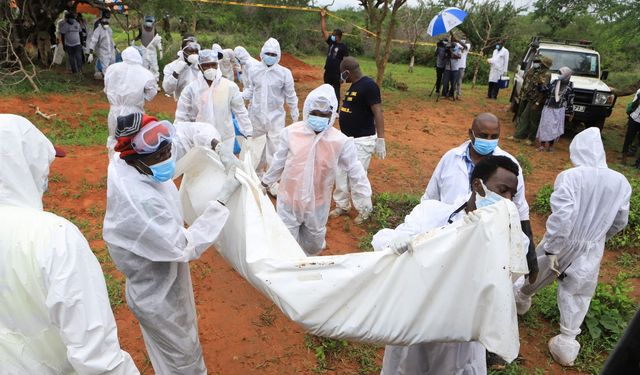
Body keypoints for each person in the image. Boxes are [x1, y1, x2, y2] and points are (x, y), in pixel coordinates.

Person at [103, 113, 242, 375]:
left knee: (166, 355)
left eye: (168, 150)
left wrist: (217, 146)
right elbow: (183, 246)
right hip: (159, 293)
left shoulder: (138, 159)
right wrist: (221, 202)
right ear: (136, 159)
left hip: (161, 277)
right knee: (183, 359)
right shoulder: (139, 201)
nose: (167, 158)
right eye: (160, 156)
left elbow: (187, 132)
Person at [0, 114, 139, 375]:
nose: (47, 174)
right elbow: (98, 358)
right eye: (43, 164)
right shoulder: (52, 236)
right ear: (22, 164)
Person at [373, 155, 525, 374]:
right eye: (502, 190)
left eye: (512, 193)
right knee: (404, 368)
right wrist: (395, 243)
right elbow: (389, 241)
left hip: (459, 333)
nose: (508, 199)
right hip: (415, 318)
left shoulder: (508, 237)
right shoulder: (433, 214)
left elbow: (506, 282)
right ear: (477, 185)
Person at [514, 127, 630, 367]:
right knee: (579, 289)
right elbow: (620, 221)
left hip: (565, 239)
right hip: (592, 243)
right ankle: (567, 342)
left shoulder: (571, 177)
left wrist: (554, 247)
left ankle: (519, 302)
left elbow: (563, 216)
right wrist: (599, 237)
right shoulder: (621, 182)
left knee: (537, 272)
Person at [422, 113, 538, 281]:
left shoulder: (509, 166)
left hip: (488, 242)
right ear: (471, 134)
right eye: (484, 136)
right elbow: (430, 199)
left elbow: (520, 210)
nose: (489, 140)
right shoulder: (450, 158)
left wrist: (530, 257)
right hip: (447, 238)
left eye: (494, 136)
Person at [261, 84, 372, 255]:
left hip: (318, 203)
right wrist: (265, 182)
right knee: (286, 243)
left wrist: (364, 195)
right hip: (290, 199)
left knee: (313, 243)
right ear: (306, 111)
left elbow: (355, 169)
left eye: (324, 114)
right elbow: (278, 162)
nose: (318, 117)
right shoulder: (291, 133)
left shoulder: (340, 141)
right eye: (315, 113)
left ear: (332, 114)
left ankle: (308, 264)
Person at [330, 56, 385, 224]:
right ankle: (342, 205)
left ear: (347, 72)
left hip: (362, 140)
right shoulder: (354, 86)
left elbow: (378, 112)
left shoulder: (369, 86)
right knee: (340, 173)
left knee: (357, 176)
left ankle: (364, 209)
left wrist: (381, 139)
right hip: (347, 140)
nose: (341, 77)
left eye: (342, 74)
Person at [175, 49, 252, 153]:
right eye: (206, 65)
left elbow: (241, 111)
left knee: (225, 167)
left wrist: (248, 132)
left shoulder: (229, 87)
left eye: (213, 65)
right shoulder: (191, 90)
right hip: (200, 140)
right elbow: (181, 116)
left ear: (217, 65)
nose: (210, 69)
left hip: (225, 139)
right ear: (199, 67)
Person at [244, 37, 299, 175]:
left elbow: (290, 95)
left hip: (275, 118)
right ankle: (256, 173)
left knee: (275, 149)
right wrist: (238, 97)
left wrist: (294, 114)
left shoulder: (284, 73)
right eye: (268, 53)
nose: (270, 57)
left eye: (273, 55)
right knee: (255, 147)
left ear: (278, 56)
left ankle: (273, 179)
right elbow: (251, 89)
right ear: (262, 53)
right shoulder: (254, 70)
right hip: (256, 116)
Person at [104, 46, 157, 150]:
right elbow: (151, 95)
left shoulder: (111, 69)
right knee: (134, 142)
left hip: (114, 110)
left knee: (114, 141)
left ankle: (114, 164)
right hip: (134, 112)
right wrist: (141, 96)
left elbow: (106, 88)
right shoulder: (145, 73)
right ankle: (130, 164)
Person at [512, 54, 553, 144]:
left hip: (537, 100)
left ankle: (531, 139)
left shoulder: (546, 74)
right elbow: (528, 83)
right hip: (529, 97)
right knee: (524, 117)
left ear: (544, 64)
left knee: (533, 120)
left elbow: (543, 90)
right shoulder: (535, 71)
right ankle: (518, 136)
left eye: (540, 62)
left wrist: (537, 102)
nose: (538, 63)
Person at [537, 67, 574, 152]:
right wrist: (540, 84)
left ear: (567, 75)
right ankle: (542, 145)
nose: (559, 75)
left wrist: (570, 112)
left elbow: (570, 99)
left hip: (559, 110)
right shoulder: (554, 82)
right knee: (545, 125)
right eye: (559, 73)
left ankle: (551, 146)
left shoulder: (570, 86)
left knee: (554, 127)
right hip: (548, 107)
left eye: (561, 73)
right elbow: (545, 90)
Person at [320, 9, 348, 107]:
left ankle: (335, 111)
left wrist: (343, 77)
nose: (331, 36)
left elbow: (345, 62)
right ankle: (327, 108)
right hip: (327, 72)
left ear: (338, 36)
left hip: (336, 74)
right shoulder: (331, 43)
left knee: (336, 93)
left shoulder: (343, 47)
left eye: (334, 35)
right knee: (326, 91)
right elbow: (324, 30)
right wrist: (323, 17)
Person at [135, 15, 163, 84]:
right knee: (144, 68)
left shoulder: (154, 29)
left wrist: (160, 50)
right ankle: (144, 83)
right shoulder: (141, 28)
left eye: (150, 21)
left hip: (152, 52)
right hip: (144, 51)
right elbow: (139, 36)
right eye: (148, 21)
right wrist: (134, 41)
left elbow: (157, 40)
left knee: (154, 68)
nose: (149, 23)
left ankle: (154, 83)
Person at [88, 13, 116, 79]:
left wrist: (114, 46)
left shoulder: (109, 29)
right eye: (104, 23)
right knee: (105, 68)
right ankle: (107, 83)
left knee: (113, 65)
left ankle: (113, 80)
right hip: (103, 51)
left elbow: (111, 38)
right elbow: (93, 41)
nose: (106, 25)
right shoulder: (98, 30)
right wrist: (91, 53)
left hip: (111, 50)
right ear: (101, 23)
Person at [622, 88, 640, 165]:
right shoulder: (639, 91)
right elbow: (633, 104)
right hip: (634, 118)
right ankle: (623, 161)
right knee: (628, 139)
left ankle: (638, 163)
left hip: (635, 118)